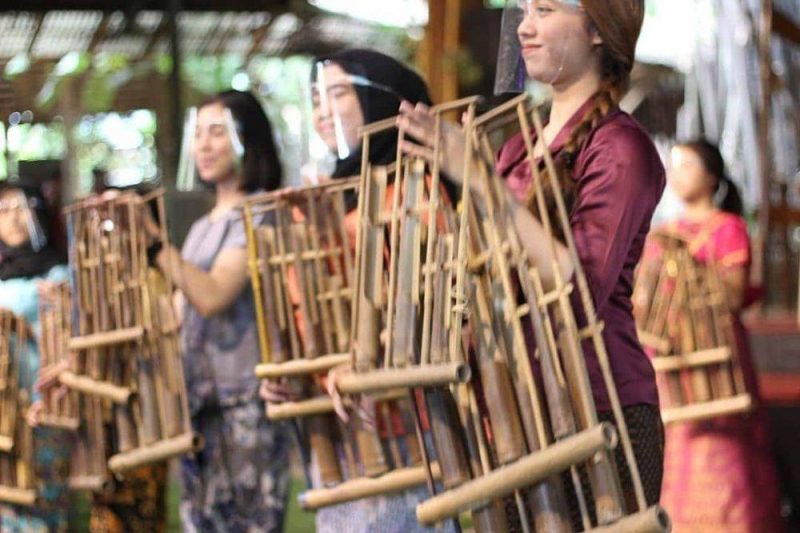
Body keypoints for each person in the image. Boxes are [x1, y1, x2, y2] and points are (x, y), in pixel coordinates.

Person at [399, 0, 666, 514]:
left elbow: (579, 292)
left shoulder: (620, 147)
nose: (524, 26)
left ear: (596, 29)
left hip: (598, 407)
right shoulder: (517, 148)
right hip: (515, 405)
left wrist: (479, 180)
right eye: (521, 11)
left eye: (544, 9)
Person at [259, 49, 450, 533]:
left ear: (383, 100)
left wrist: (367, 359)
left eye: (337, 93)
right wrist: (291, 374)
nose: (322, 109)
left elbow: (427, 306)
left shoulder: (413, 190)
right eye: (315, 98)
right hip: (334, 431)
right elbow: (305, 313)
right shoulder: (317, 200)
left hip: (405, 428)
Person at [149, 90, 291, 532]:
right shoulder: (201, 227)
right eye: (198, 134)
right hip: (201, 410)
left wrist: (153, 245)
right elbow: (181, 311)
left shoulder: (260, 213)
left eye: (217, 132)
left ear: (249, 140)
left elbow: (211, 295)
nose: (203, 146)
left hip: (244, 407)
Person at [645, 139, 785, 531]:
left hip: (719, 352)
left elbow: (735, 293)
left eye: (687, 165)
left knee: (728, 443)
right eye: (674, 166)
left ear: (711, 177)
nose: (678, 174)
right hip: (676, 357)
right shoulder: (661, 234)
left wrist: (686, 274)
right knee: (680, 441)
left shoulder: (728, 227)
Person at [0, 183, 71, 532]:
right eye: (3, 209)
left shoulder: (56, 275)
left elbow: (70, 336)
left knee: (43, 507)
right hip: (3, 413)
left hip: (42, 409)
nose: (13, 217)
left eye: (20, 207)